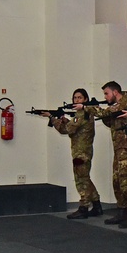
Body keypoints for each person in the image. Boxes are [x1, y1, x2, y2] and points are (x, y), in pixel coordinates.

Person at [78, 81, 127, 228]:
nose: (105, 97)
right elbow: (110, 121)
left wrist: (87, 107)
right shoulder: (116, 106)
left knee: (126, 181)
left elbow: (105, 113)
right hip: (119, 148)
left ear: (115, 92)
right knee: (117, 181)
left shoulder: (125, 102)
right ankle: (122, 211)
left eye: (107, 93)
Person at [46, 88, 102, 219]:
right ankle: (97, 205)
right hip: (84, 150)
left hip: (81, 152)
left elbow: (66, 130)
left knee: (81, 180)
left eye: (79, 98)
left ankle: (83, 208)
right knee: (85, 178)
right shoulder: (84, 114)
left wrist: (52, 119)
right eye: (75, 98)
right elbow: (74, 127)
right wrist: (64, 119)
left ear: (85, 100)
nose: (76, 100)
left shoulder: (81, 114)